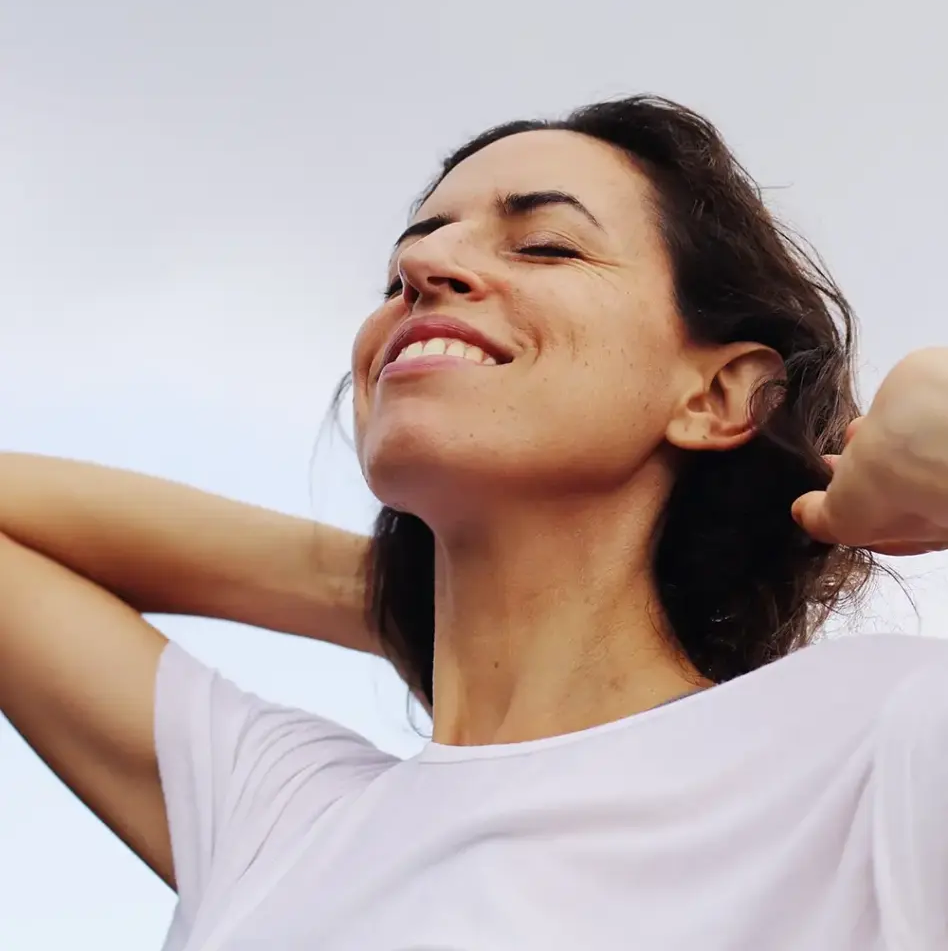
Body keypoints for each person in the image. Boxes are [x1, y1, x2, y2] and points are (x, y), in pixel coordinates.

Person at [2, 95, 948, 951]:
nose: (420, 264)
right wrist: (408, 600)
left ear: (718, 394)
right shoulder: (280, 822)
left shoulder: (874, 736)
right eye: (404, 261)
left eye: (544, 246)